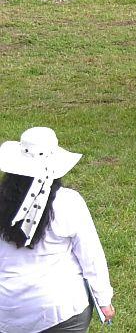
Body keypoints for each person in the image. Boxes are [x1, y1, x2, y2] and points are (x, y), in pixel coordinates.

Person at [0, 127, 117, 333]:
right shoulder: (68, 201)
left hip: (8, 312)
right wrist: (103, 300)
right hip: (61, 311)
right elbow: (90, 256)